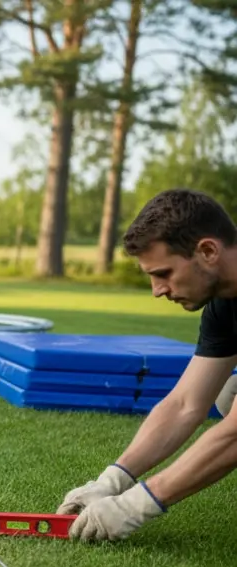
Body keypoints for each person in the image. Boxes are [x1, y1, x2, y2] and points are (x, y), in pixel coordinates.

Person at [60, 189, 237, 542]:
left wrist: (137, 504)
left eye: (164, 273)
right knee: (226, 395)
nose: (157, 290)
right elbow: (185, 403)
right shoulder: (223, 305)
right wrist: (114, 479)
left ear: (207, 251)